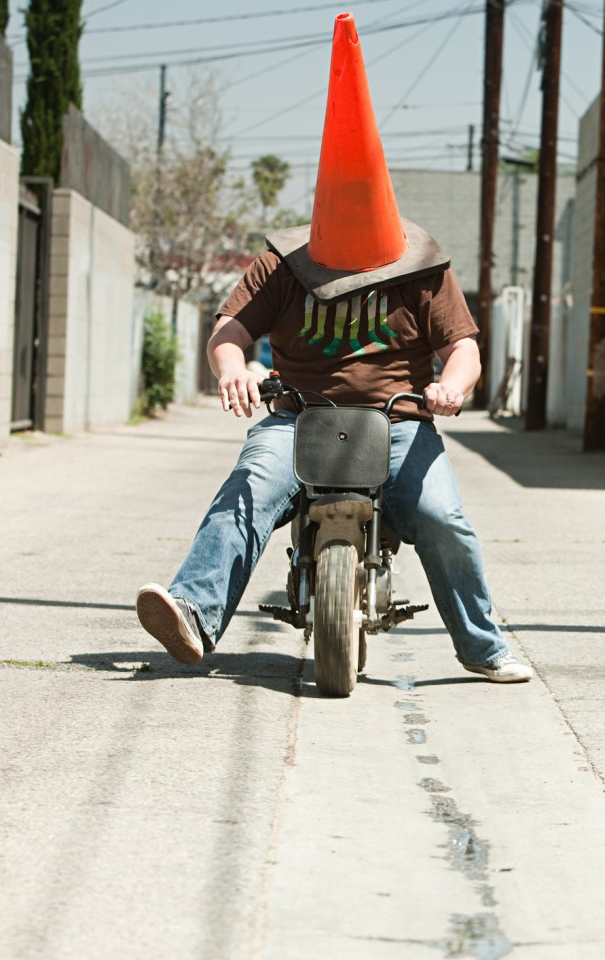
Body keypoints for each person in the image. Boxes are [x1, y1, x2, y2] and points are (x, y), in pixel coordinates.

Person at [134, 10, 531, 684]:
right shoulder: (284, 265)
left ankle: (483, 645)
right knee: (249, 488)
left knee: (441, 517)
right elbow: (229, 329)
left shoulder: (424, 267)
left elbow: (463, 346)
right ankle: (193, 616)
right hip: (299, 417)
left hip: (400, 422)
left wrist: (453, 385)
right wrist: (230, 366)